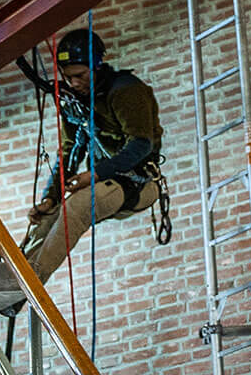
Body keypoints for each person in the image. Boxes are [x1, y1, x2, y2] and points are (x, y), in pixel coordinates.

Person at [11, 28, 168, 282]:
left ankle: (30, 283)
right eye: (68, 77)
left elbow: (141, 145)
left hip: (137, 183)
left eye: (80, 75)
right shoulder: (75, 101)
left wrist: (93, 175)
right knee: (48, 217)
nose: (74, 83)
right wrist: (51, 198)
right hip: (102, 181)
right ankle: (14, 275)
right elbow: (70, 150)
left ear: (96, 66)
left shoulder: (126, 91)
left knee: (76, 206)